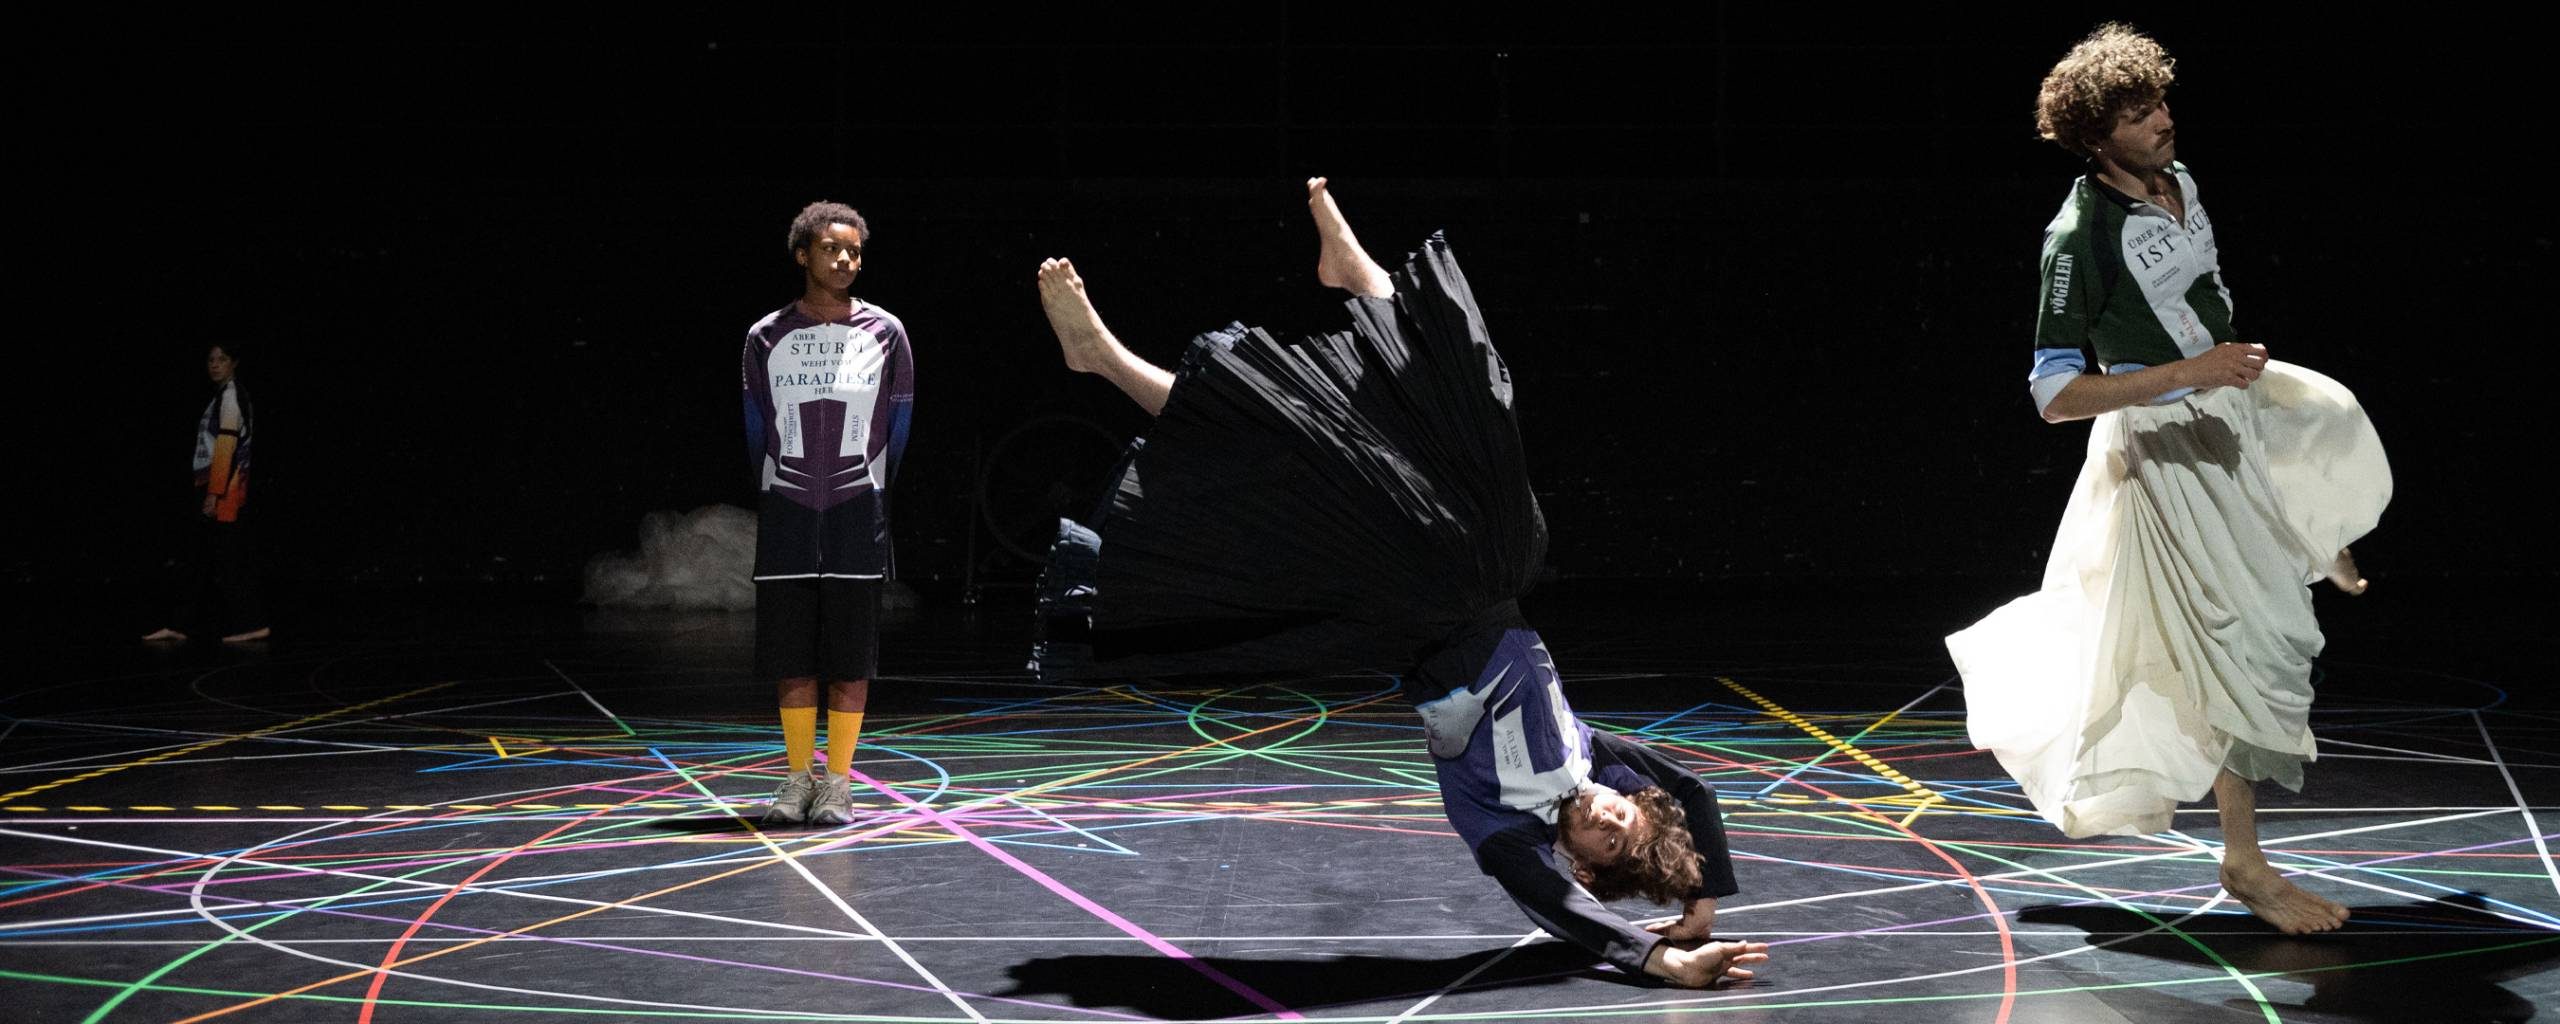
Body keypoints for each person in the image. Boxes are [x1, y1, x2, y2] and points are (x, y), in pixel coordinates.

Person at [1027, 178, 1768, 988]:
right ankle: (1364, 280)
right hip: (1485, 566)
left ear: (1586, 865)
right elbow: (1689, 788)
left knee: (1278, 444)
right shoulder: (1592, 763)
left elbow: (1560, 911)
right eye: (1626, 814)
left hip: (1411, 598)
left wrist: (1665, 961)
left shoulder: (1506, 829)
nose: (1611, 813)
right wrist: (1703, 903)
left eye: (1611, 839)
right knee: (1469, 403)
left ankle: (1103, 356)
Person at [1945, 24, 2392, 934]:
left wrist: (2225, 367)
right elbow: (2054, 394)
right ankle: (2246, 864)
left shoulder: (2179, 185)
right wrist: (2193, 373)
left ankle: (2307, 537)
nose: (2161, 122)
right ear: (2094, 136)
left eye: (2159, 102)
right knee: (2239, 650)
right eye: (2136, 114)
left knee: (2334, 420)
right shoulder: (2077, 236)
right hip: (2164, 449)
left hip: (2226, 407)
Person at [741, 201, 914, 826]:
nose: (845, 259)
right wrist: (778, 487)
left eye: (855, 252)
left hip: (854, 508)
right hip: (786, 509)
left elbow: (899, 421)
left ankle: (837, 782)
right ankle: (796, 780)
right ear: (802, 255)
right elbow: (756, 424)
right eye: (832, 249)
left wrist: (868, 488)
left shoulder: (886, 333)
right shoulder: (766, 335)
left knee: (850, 653)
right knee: (790, 652)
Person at [143, 343, 270, 644]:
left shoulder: (230, 396)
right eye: (211, 360)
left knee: (226, 559)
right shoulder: (222, 396)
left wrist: (214, 494)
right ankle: (179, 624)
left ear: (234, 363)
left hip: (224, 491)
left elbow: (227, 446)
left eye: (222, 360)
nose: (214, 365)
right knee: (199, 558)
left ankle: (253, 623)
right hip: (215, 487)